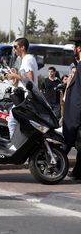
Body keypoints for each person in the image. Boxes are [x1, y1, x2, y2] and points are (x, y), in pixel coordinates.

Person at [5, 37, 38, 138]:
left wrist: (14, 76)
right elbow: (23, 80)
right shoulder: (27, 59)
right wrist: (15, 75)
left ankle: (15, 147)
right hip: (25, 98)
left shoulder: (27, 59)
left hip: (26, 99)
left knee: (12, 122)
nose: (14, 49)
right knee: (20, 124)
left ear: (22, 47)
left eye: (15, 47)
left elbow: (29, 80)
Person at [63, 29, 81, 181]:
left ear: (79, 48)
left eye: (74, 47)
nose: (73, 50)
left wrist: (73, 123)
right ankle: (77, 171)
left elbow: (77, 99)